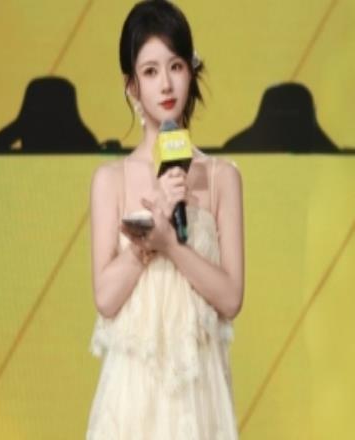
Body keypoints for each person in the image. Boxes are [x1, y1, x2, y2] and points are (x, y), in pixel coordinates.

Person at [87, 1, 244, 438]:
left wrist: (171, 245)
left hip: (200, 394)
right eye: (151, 71)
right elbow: (105, 298)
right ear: (132, 86)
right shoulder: (110, 180)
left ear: (191, 71)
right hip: (132, 396)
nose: (166, 84)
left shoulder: (222, 177)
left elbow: (231, 297)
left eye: (175, 66)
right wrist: (148, 236)